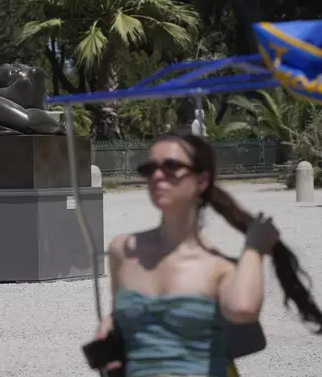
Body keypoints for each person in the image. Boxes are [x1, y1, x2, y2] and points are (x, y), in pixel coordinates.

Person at [93, 130, 322, 377]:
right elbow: (118, 315)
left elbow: (243, 308)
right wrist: (111, 327)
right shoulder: (122, 251)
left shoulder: (221, 268)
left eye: (170, 167)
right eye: (150, 169)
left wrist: (254, 247)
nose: (157, 176)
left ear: (201, 181)